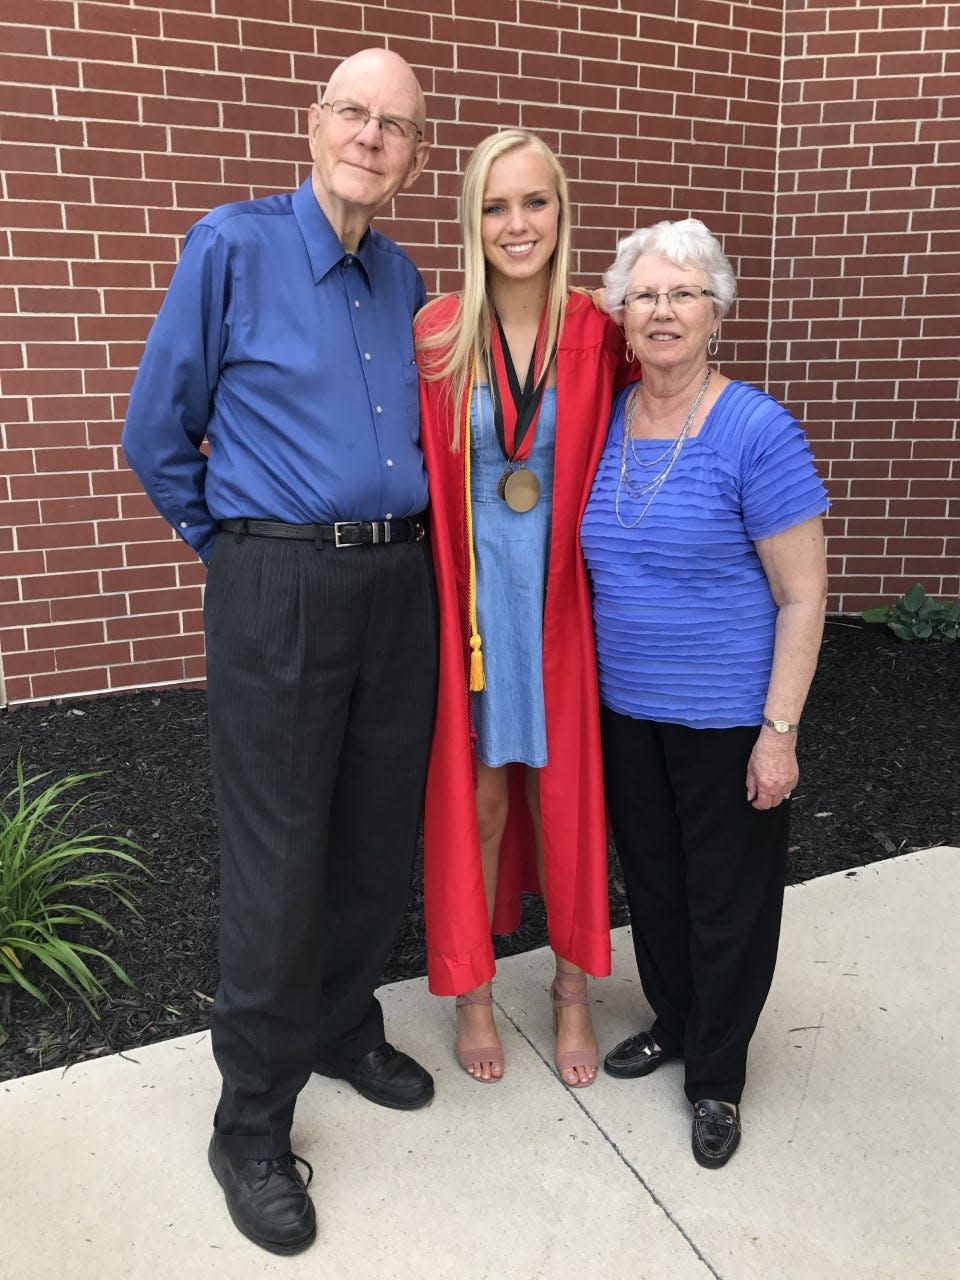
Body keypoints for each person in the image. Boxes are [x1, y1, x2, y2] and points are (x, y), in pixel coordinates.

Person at [121, 49, 438, 1254]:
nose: (370, 135)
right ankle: (251, 1121)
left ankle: (343, 1023)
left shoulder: (401, 271)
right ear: (314, 124)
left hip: (396, 582)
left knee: (370, 830)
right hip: (280, 584)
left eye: (395, 124)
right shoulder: (232, 247)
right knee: (278, 854)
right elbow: (157, 432)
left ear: (415, 154)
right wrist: (241, 554)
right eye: (353, 112)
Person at [581, 218, 829, 1166]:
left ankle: (717, 1076)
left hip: (728, 718)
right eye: (644, 294)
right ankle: (677, 1022)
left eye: (683, 293)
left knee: (730, 899)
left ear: (717, 310)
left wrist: (779, 732)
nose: (662, 311)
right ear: (622, 315)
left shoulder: (756, 431)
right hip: (627, 712)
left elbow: (802, 595)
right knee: (657, 886)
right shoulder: (606, 423)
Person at [415, 130, 638, 1088]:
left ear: (561, 212)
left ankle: (570, 990)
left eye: (535, 203)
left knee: (567, 795)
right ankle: (473, 991)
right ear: (473, 218)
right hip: (470, 601)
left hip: (560, 599)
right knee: (483, 795)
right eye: (496, 206)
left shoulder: (600, 329)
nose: (517, 225)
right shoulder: (437, 331)